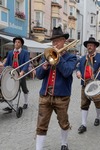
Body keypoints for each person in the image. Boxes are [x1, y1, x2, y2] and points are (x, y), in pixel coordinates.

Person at [35, 26, 77, 150]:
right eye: (53, 41)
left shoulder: (71, 57)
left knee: (63, 122)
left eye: (57, 41)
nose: (55, 44)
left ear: (64, 41)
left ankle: (64, 143)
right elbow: (38, 75)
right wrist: (44, 66)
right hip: (45, 95)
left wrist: (57, 58)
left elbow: (67, 72)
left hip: (62, 96)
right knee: (41, 124)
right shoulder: (46, 56)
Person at [76, 37, 100, 134]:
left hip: (96, 84)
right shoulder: (82, 59)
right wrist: (78, 72)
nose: (89, 47)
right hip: (85, 84)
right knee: (84, 104)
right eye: (88, 45)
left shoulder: (99, 57)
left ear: (95, 47)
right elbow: (78, 68)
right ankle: (84, 124)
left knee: (98, 103)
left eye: (91, 45)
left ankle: (98, 117)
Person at [3, 36, 29, 113]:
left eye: (18, 42)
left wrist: (22, 72)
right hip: (11, 73)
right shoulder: (10, 53)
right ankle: (10, 106)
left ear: (21, 44)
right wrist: (4, 71)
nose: (16, 43)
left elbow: (26, 63)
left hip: (20, 73)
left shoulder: (25, 52)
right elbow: (7, 64)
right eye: (15, 42)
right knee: (10, 88)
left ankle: (26, 102)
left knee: (24, 88)